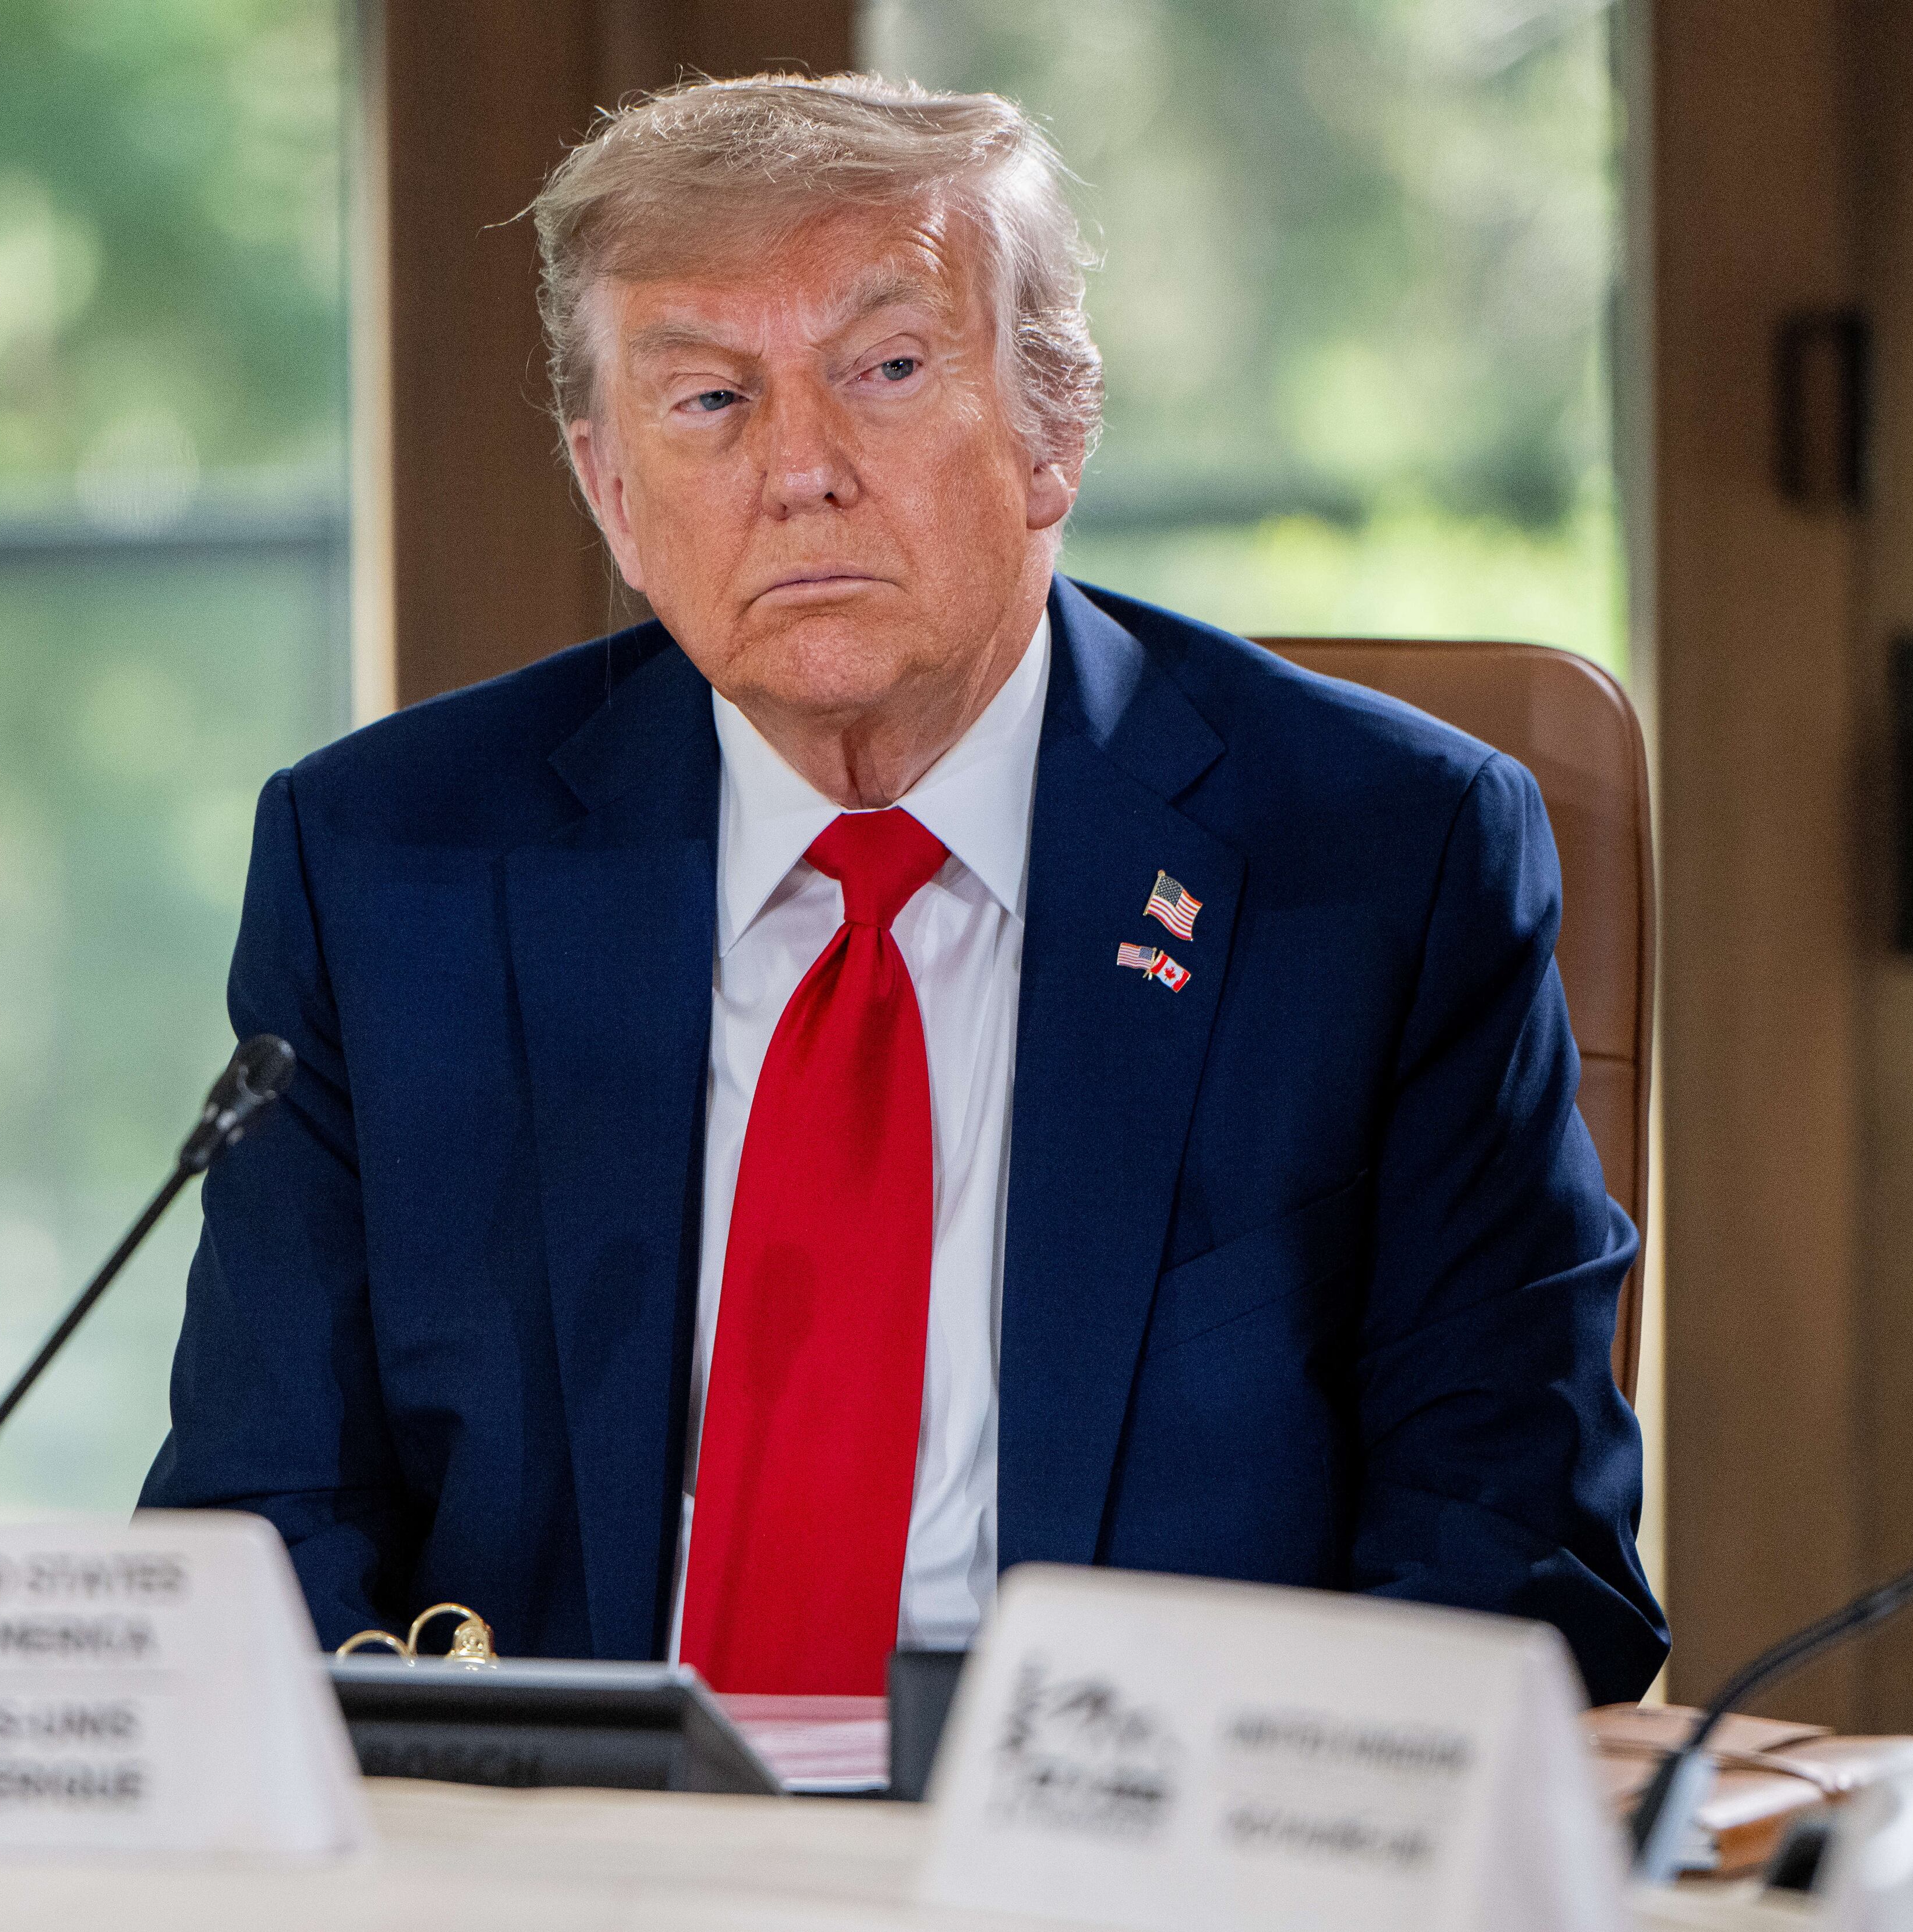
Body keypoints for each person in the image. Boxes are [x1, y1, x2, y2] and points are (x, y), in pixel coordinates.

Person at [141, 72, 1667, 1704]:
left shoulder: (1381, 864)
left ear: (1053, 428)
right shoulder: (389, 867)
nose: (801, 468)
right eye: (709, 402)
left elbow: (1514, 1560)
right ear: (609, 491)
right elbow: (258, 1534)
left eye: (885, 369)